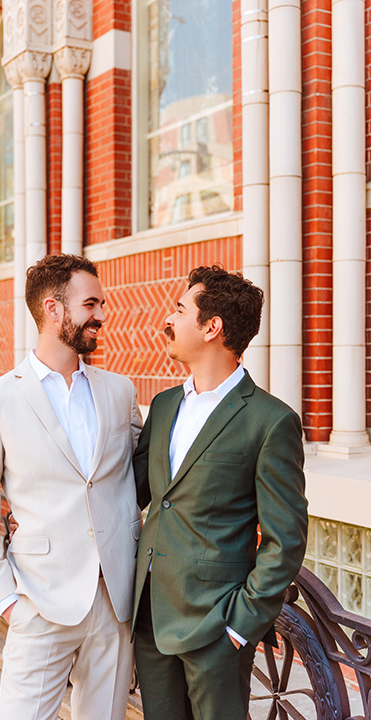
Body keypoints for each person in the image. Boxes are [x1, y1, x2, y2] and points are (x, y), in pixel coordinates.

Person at [0, 254, 142, 720]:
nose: (101, 315)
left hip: (114, 602)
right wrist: (6, 601)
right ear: (53, 309)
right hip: (38, 603)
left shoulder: (120, 392)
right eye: (91, 304)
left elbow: (145, 475)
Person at [132, 265, 308, 720]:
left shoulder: (270, 422)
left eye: (178, 309)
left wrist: (240, 625)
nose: (167, 320)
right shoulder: (165, 405)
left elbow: (285, 539)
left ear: (212, 327)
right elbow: (131, 492)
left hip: (216, 628)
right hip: (150, 619)